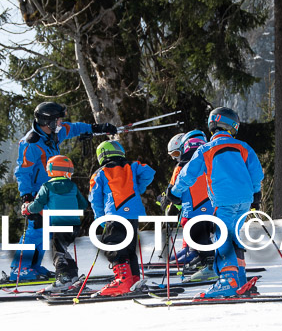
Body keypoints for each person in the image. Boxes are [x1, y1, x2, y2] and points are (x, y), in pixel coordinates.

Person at [9, 102, 116, 281]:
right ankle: (20, 269)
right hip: (37, 193)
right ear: (48, 121)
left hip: (52, 192)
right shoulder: (31, 143)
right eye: (57, 120)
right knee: (36, 230)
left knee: (47, 231)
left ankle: (33, 267)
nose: (60, 123)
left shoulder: (53, 133)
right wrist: (26, 197)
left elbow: (73, 128)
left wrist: (96, 128)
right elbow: (22, 172)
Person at [168, 107, 264, 297]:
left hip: (223, 201)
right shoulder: (243, 147)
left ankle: (228, 281)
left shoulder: (206, 149)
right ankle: (241, 278)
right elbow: (256, 174)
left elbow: (188, 174)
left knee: (223, 238)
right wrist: (256, 195)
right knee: (234, 237)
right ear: (232, 126)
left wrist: (175, 192)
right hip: (244, 200)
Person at [89, 140, 155, 296]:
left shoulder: (100, 173)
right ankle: (133, 279)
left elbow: (95, 200)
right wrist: (137, 188)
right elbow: (149, 172)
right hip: (133, 214)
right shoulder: (131, 167)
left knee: (113, 245)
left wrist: (101, 219)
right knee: (129, 247)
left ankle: (123, 281)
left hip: (115, 213)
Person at [21, 155, 89, 291]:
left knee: (58, 253)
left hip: (60, 225)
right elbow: (83, 204)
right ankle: (73, 277)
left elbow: (37, 206)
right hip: (75, 226)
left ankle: (63, 279)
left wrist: (27, 208)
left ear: (51, 170)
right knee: (63, 250)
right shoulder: (72, 186)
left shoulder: (47, 186)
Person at [161, 131, 216, 280]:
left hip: (193, 209)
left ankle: (210, 266)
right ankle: (208, 261)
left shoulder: (181, 167)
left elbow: (173, 191)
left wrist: (169, 199)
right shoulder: (209, 162)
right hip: (212, 208)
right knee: (206, 236)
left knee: (197, 236)